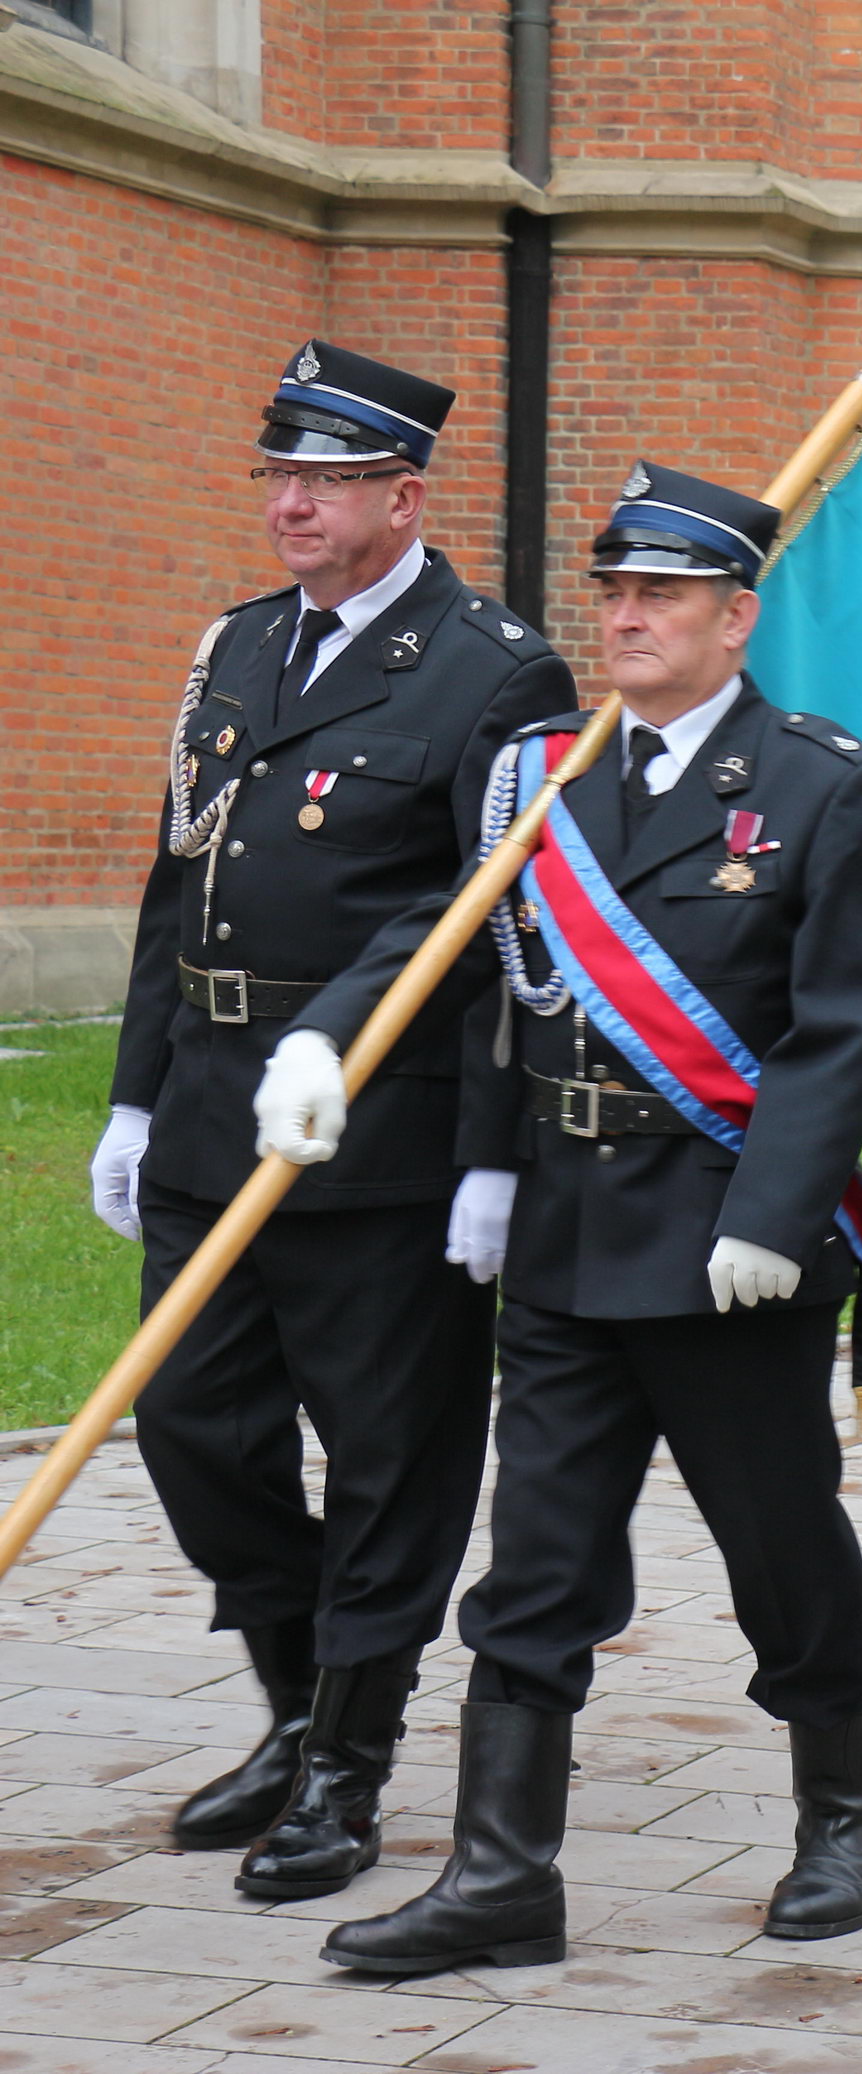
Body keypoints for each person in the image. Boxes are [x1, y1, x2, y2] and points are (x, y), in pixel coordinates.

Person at [260, 462, 862, 1972]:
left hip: (725, 1247)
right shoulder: (542, 771)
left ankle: (844, 1808)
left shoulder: (820, 782)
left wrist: (774, 1208)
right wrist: (332, 1037)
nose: (626, 616)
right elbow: (457, 936)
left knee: (778, 1546)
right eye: (614, 592)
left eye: (662, 594)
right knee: (535, 1562)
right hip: (563, 1235)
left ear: (735, 617)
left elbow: (840, 1026)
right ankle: (502, 1873)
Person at [91, 341, 575, 1901]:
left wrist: (468, 1140)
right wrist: (133, 1093)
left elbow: (483, 914)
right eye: (279, 477)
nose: (290, 504)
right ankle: (297, 1701)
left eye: (326, 481)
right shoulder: (238, 645)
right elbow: (182, 883)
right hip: (210, 1114)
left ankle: (347, 1765)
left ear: (403, 496)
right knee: (194, 1427)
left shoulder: (493, 670)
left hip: (378, 1131)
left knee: (388, 1460)